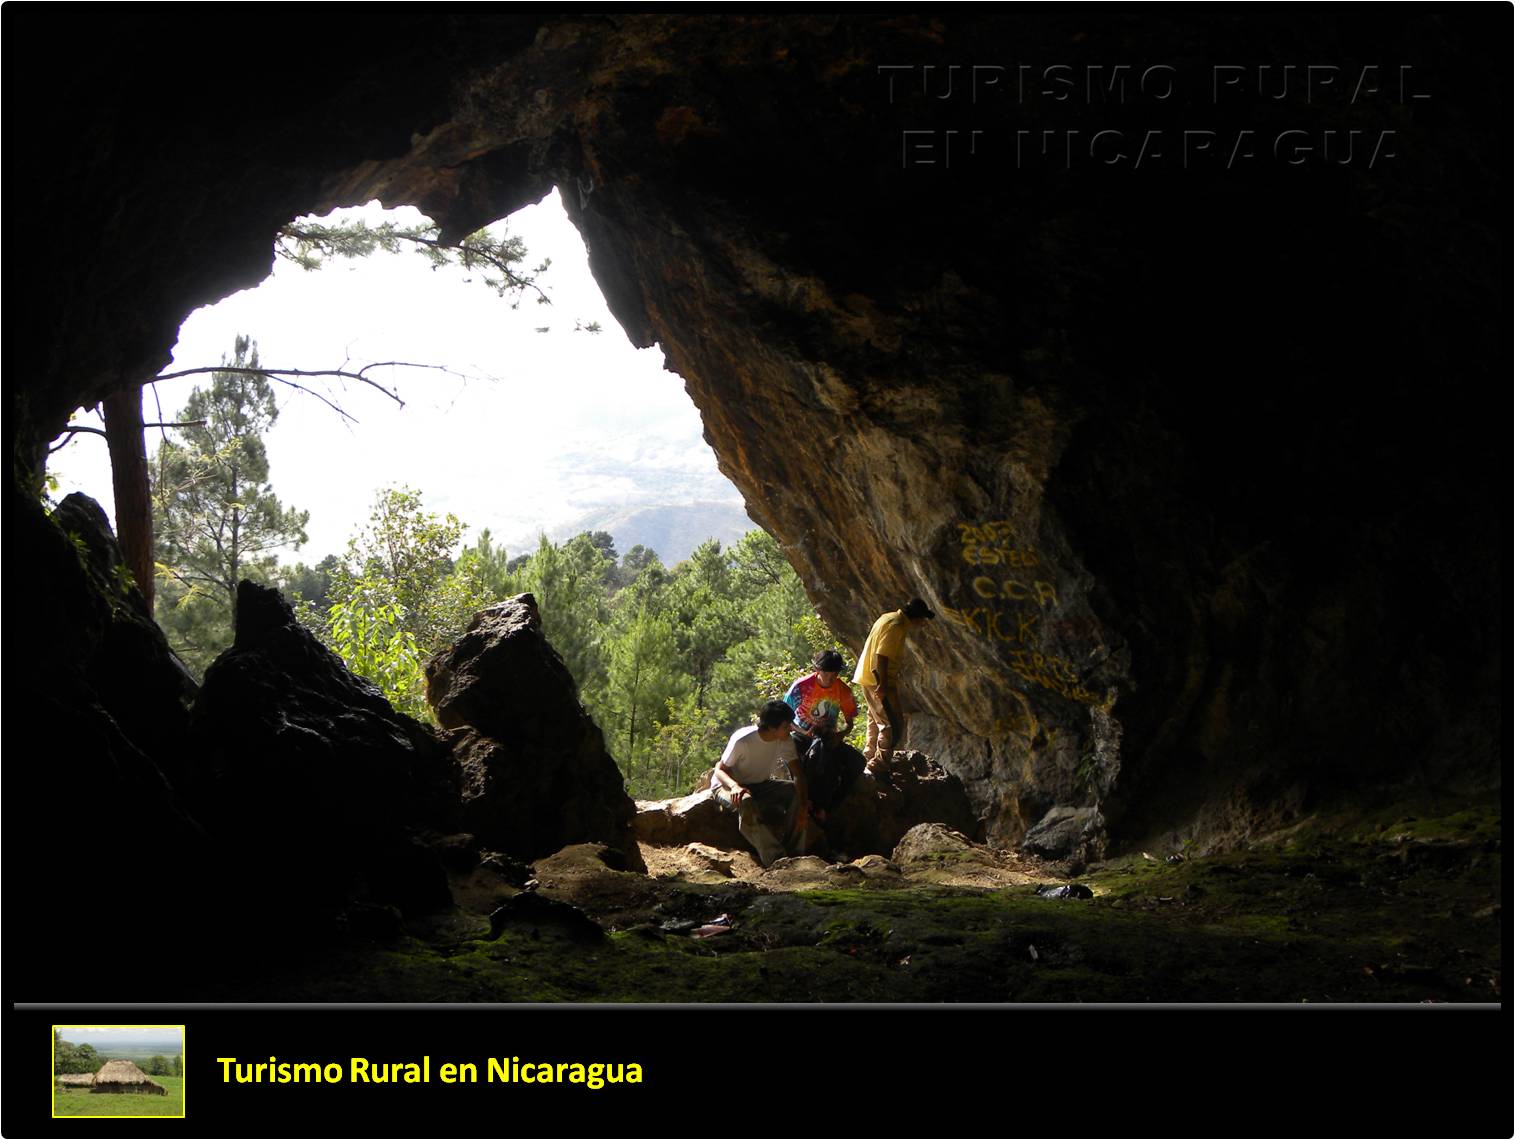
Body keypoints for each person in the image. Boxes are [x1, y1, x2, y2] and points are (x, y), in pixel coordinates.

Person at [709, 701, 810, 866]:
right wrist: (735, 786)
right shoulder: (743, 740)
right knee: (746, 801)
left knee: (794, 791)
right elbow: (719, 770)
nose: (791, 729)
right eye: (786, 726)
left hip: (760, 784)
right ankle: (776, 859)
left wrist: (803, 806)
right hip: (727, 785)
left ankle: (795, 854)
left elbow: (798, 773)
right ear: (771, 728)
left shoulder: (785, 740)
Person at [853, 597, 935, 778]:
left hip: (868, 675)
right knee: (891, 723)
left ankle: (868, 757)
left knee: (875, 719)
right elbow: (882, 655)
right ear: (917, 617)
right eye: (923, 619)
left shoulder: (887, 617)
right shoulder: (897, 625)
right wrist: (882, 684)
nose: (922, 623)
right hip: (879, 679)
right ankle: (879, 764)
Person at [783, 649, 858, 747]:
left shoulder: (844, 690)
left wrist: (839, 735)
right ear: (817, 669)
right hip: (800, 734)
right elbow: (784, 715)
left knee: (857, 760)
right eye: (825, 673)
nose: (829, 679)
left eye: (834, 675)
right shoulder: (801, 686)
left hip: (828, 737)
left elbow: (849, 724)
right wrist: (802, 732)